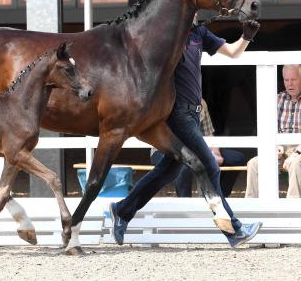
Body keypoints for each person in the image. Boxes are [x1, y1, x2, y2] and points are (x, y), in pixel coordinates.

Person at [109, 16, 262, 248]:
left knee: (168, 171)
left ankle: (122, 210)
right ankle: (234, 230)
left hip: (193, 112)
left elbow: (232, 52)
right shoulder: (167, 34)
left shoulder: (199, 33)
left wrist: (245, 37)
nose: (194, 12)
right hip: (177, 113)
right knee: (209, 165)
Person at [151, 99, 247, 197]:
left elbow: (208, 133)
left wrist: (216, 154)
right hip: (164, 150)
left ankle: (217, 198)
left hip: (195, 149)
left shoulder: (201, 103)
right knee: (183, 166)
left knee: (237, 159)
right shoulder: (166, 100)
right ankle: (185, 204)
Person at [245, 64, 301, 198]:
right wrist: (276, 146)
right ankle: (251, 208)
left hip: (299, 149)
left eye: (293, 79)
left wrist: (297, 152)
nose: (289, 84)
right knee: (253, 163)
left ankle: (292, 210)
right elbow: (268, 127)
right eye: (286, 80)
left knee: (296, 164)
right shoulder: (277, 99)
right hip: (280, 147)